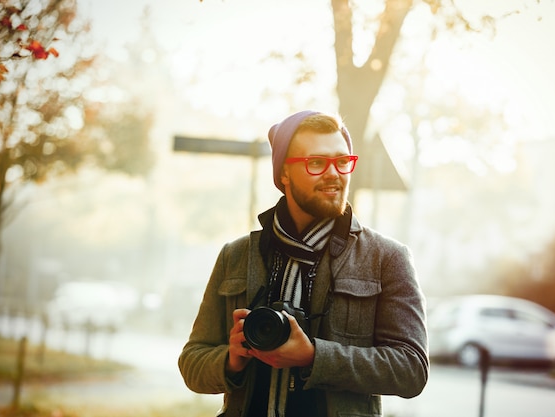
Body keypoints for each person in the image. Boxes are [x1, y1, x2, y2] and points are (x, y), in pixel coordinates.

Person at [178, 110, 429, 417]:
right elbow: (192, 361)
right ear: (284, 173)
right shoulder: (237, 255)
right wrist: (232, 358)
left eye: (342, 161)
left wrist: (313, 357)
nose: (334, 173)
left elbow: (412, 369)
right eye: (316, 162)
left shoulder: (386, 258)